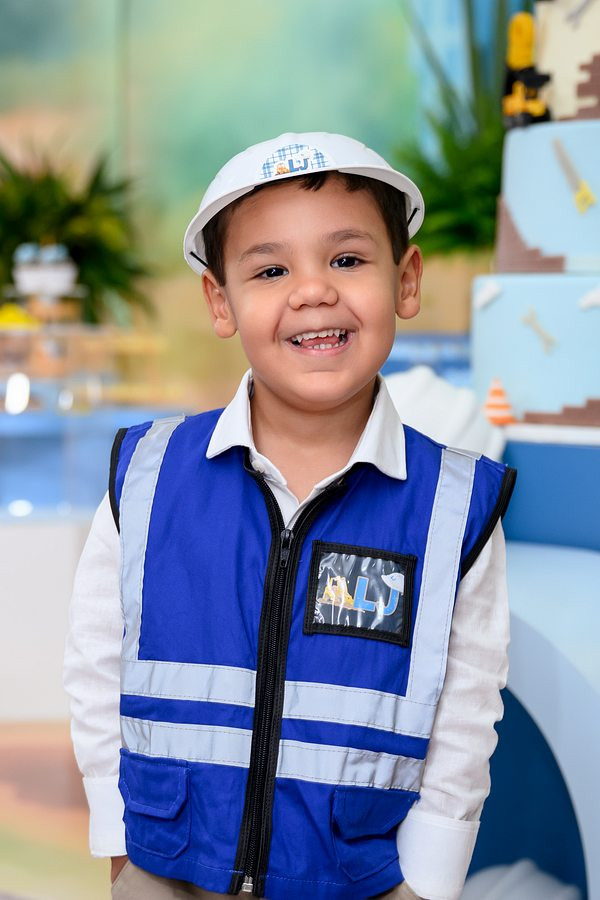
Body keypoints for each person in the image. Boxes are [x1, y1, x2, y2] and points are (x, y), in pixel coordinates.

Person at [64, 132, 516, 900]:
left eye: (347, 259)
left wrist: (428, 884)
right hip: (166, 868)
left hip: (364, 883)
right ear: (221, 301)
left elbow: (468, 711)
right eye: (271, 270)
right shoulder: (149, 474)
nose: (313, 291)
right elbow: (96, 665)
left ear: (406, 280)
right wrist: (120, 846)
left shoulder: (452, 504)